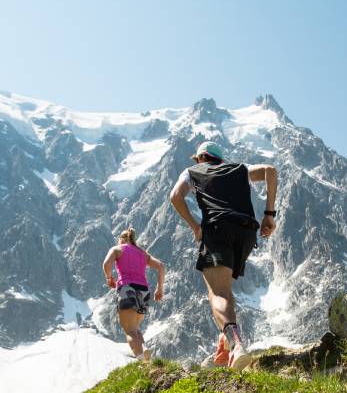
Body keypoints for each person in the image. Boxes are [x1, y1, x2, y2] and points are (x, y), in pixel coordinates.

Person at [168, 141, 277, 369]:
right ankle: (223, 350)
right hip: (247, 232)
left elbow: (175, 197)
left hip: (218, 229)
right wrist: (269, 215)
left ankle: (237, 346)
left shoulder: (192, 172)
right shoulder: (238, 168)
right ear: (220, 158)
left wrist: (195, 226)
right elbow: (270, 170)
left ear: (200, 158)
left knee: (216, 293)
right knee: (225, 290)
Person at [102, 228, 165, 362]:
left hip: (127, 288)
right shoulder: (143, 253)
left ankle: (141, 359)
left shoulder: (117, 249)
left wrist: (109, 278)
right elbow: (160, 266)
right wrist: (159, 289)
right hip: (144, 290)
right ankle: (144, 349)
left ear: (121, 239)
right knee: (135, 328)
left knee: (129, 330)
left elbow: (106, 264)